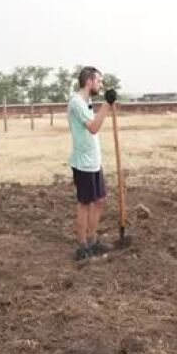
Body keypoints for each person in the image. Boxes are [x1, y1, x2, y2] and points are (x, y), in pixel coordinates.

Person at [67, 66, 114, 261]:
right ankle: (82, 245)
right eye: (99, 81)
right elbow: (94, 128)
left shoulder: (87, 101)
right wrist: (106, 105)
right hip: (83, 164)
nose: (101, 84)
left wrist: (106, 105)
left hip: (94, 161)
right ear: (89, 82)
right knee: (85, 204)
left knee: (100, 200)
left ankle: (93, 240)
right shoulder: (77, 102)